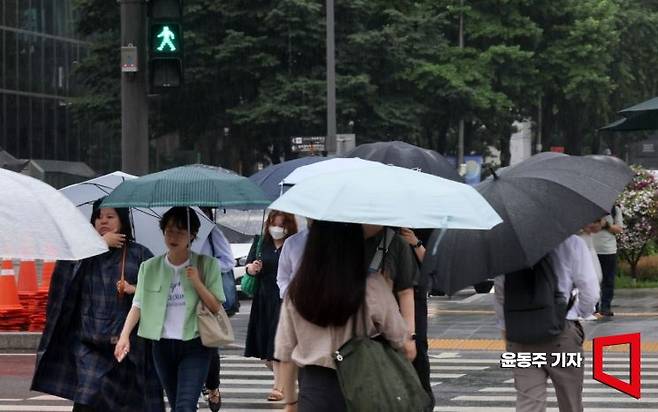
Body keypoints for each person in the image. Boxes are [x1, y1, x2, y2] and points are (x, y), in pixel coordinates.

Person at [31, 198, 164, 412]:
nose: (103, 221)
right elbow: (64, 282)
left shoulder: (140, 254)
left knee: (128, 404)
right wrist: (99, 245)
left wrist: (133, 288)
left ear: (122, 221)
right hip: (89, 344)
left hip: (128, 347)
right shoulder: (83, 253)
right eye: (98, 217)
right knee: (87, 399)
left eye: (110, 217)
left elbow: (159, 291)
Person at [275, 220, 415, 412]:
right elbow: (403, 344)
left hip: (315, 391)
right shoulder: (372, 286)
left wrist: (290, 402)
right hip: (362, 390)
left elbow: (285, 353)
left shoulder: (297, 291)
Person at [114, 207, 225, 412]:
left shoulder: (207, 264)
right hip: (162, 347)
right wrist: (124, 336)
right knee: (176, 405)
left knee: (184, 407)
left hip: (196, 345)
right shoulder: (149, 267)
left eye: (181, 231)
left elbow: (216, 306)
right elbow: (138, 305)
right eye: (169, 230)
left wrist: (198, 282)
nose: (173, 236)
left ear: (192, 235)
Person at [493, 234, 600, 412]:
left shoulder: (506, 248)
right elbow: (590, 291)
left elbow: (500, 293)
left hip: (520, 336)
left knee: (529, 403)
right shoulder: (571, 242)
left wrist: (506, 329)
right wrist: (577, 313)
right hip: (562, 334)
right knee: (570, 402)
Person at [244, 210, 298, 401]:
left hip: (283, 298)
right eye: (273, 224)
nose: (277, 229)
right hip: (263, 298)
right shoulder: (261, 242)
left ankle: (279, 387)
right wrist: (251, 269)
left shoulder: (294, 244)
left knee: (277, 344)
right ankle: (290, 374)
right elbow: (248, 267)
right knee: (266, 351)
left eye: (282, 225)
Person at [199, 207, 237, 411]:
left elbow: (228, 262)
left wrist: (203, 267)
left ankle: (212, 386)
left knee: (209, 346)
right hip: (180, 301)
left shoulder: (212, 233)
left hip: (207, 297)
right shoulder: (173, 232)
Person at [398, 227, 436, 409]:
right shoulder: (381, 225)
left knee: (418, 350)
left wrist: (415, 242)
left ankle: (424, 401)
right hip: (385, 295)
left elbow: (433, 266)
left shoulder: (425, 225)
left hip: (415, 294)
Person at [592, 205, 624, 317]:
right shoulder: (589, 207)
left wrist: (605, 225)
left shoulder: (615, 209)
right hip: (591, 250)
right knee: (592, 280)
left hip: (608, 250)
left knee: (608, 281)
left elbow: (619, 229)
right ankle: (593, 308)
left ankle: (605, 308)